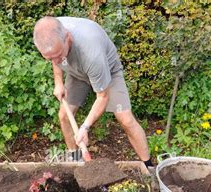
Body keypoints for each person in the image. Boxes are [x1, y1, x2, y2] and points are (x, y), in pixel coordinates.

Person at [33, 16, 153, 167]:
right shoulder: (49, 31)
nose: (56, 61)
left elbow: (102, 97)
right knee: (64, 115)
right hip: (77, 72)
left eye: (58, 56)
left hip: (107, 71)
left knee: (126, 119)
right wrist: (58, 83)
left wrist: (84, 127)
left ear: (67, 37)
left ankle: (149, 167)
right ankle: (76, 160)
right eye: (49, 58)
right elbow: (54, 58)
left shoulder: (91, 52)